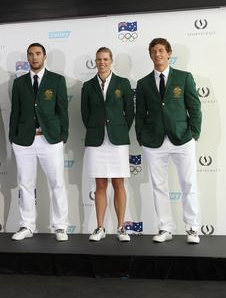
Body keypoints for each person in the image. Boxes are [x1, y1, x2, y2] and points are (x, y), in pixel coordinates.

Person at [135, 38, 202, 244]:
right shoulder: (143, 82)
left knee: (188, 183)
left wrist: (193, 134)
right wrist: (141, 137)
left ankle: (192, 228)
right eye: (154, 51)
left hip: (182, 138)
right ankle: (165, 228)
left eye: (161, 51)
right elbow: (140, 114)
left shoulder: (184, 77)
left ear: (169, 53)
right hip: (154, 142)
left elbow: (194, 108)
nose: (158, 54)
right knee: (159, 186)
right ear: (150, 55)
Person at [9, 43, 69, 242]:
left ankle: (60, 226)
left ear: (45, 56)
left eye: (37, 54)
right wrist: (13, 138)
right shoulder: (19, 83)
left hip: (50, 139)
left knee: (57, 183)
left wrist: (62, 136)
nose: (34, 57)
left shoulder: (57, 80)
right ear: (27, 57)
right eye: (30, 54)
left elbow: (62, 111)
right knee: (25, 184)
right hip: (24, 141)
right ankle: (26, 225)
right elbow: (15, 112)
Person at [81, 47, 134, 242]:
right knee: (100, 184)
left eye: (105, 59)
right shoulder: (88, 86)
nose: (102, 62)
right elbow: (85, 115)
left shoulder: (123, 83)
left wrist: (118, 129)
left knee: (119, 183)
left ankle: (121, 227)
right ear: (95, 61)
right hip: (96, 141)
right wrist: (97, 129)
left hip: (117, 140)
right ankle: (100, 227)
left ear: (111, 61)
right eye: (98, 59)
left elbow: (130, 113)